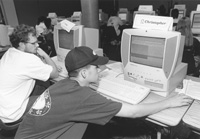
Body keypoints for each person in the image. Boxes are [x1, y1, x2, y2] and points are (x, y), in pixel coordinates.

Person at [14, 46, 192, 139]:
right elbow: (133, 112)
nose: (100, 70)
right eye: (96, 67)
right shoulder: (82, 97)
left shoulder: (62, 85)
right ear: (84, 73)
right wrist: (168, 102)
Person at [0, 24, 59, 125]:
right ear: (21, 44)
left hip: (3, 110)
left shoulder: (9, 52)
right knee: (55, 98)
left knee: (40, 86)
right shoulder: (29, 60)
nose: (37, 45)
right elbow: (55, 74)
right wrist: (44, 54)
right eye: (33, 43)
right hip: (13, 114)